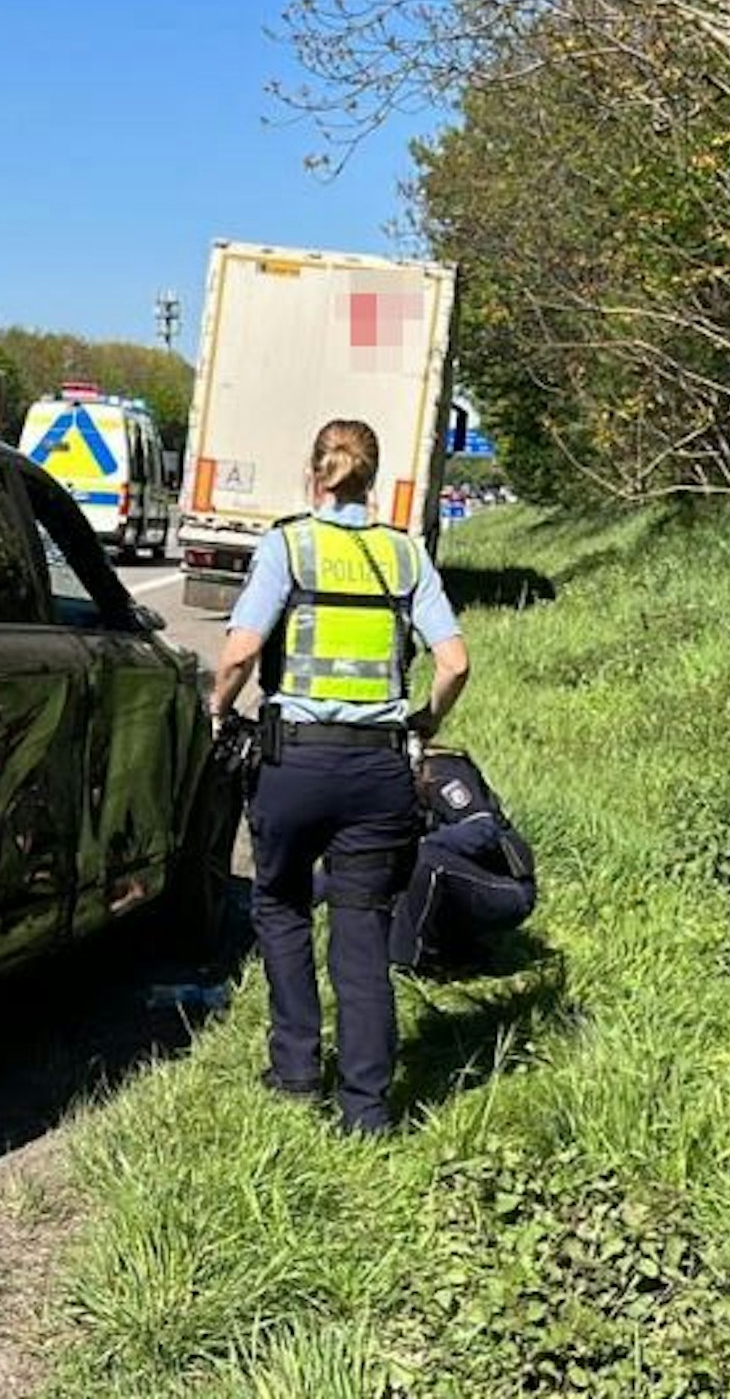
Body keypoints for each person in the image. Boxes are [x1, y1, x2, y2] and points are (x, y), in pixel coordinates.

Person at [207, 418, 470, 1134]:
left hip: (295, 761)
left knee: (282, 904)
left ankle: (295, 1070)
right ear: (372, 477)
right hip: (379, 766)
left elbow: (239, 653)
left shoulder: (289, 545)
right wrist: (425, 723)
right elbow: (454, 662)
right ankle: (367, 1108)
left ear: (314, 476)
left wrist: (217, 708)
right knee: (361, 932)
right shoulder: (404, 555)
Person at [389, 746, 537, 973]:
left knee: (425, 859)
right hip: (461, 882)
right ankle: (453, 951)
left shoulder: (445, 773)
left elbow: (483, 831)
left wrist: (420, 844)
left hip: (507, 888)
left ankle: (406, 961)